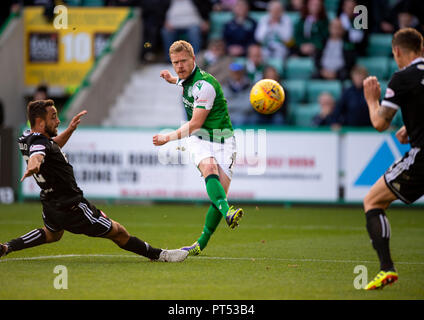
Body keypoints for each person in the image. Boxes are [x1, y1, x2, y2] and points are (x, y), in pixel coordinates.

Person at [0, 99, 188, 263]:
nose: (58, 121)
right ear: (40, 122)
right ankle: (160, 255)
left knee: (52, 234)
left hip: (51, 203)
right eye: (53, 117)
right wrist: (34, 163)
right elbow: (38, 154)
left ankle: (7, 247)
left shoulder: (27, 137)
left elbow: (49, 146)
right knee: (118, 232)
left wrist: (70, 130)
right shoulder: (39, 144)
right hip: (72, 206)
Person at [153, 40, 244, 256]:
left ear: (194, 60)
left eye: (183, 61)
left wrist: (168, 138)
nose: (179, 66)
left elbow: (194, 123)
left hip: (224, 141)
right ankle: (228, 212)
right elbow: (184, 84)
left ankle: (200, 244)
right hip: (199, 139)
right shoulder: (185, 79)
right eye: (175, 62)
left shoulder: (205, 86)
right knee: (209, 168)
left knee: (218, 195)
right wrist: (171, 80)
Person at [361, 28, 424, 290]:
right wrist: (412, 127)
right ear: (421, 49)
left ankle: (387, 268)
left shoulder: (402, 78)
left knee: (372, 201)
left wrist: (371, 100)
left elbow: (379, 122)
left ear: (396, 51)